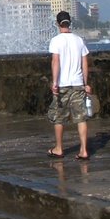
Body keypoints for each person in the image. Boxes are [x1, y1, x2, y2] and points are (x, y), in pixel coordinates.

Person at [47, 10, 93, 160]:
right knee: (81, 118)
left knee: (59, 117)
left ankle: (59, 148)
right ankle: (84, 150)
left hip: (62, 85)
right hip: (78, 83)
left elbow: (56, 62)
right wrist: (85, 83)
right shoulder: (79, 40)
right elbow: (84, 63)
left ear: (57, 24)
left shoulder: (56, 40)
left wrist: (54, 83)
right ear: (69, 23)